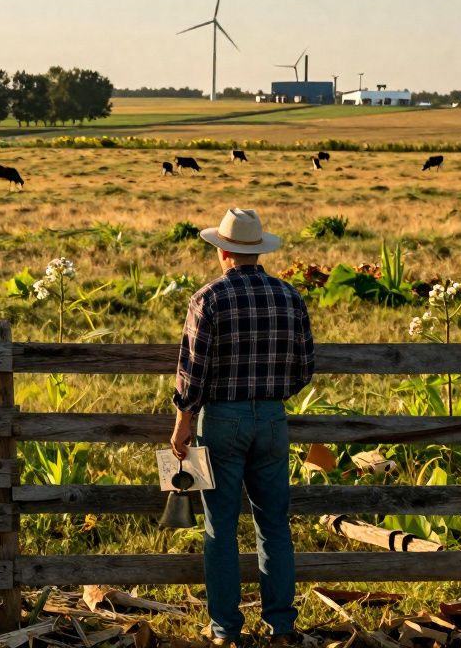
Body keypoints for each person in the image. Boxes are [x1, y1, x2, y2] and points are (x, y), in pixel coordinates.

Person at [170, 208, 315, 648]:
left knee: (221, 526)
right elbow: (304, 368)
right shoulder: (289, 296)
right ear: (258, 251)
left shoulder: (208, 298)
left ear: (224, 252)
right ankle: (281, 628)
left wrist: (182, 424)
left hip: (222, 420)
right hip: (271, 419)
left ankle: (226, 631)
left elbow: (192, 373)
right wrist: (271, 396)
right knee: (274, 524)